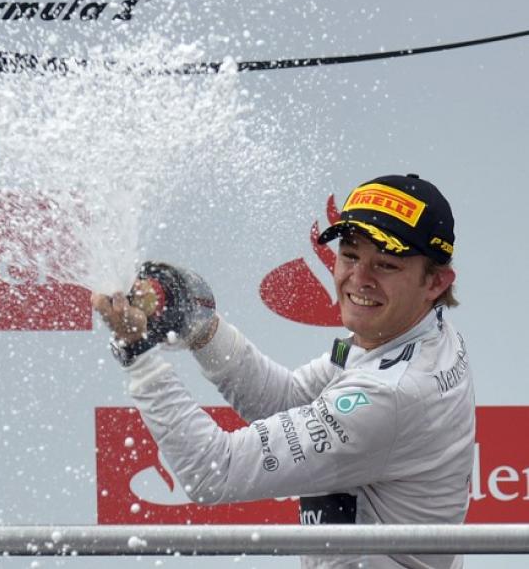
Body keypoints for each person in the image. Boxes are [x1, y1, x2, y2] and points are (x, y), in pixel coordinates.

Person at [93, 174, 472, 569]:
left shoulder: (389, 393)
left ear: (436, 282)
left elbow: (213, 470)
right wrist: (199, 327)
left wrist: (139, 355)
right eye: (350, 255)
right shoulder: (406, 332)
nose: (359, 280)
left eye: (386, 265)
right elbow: (287, 400)